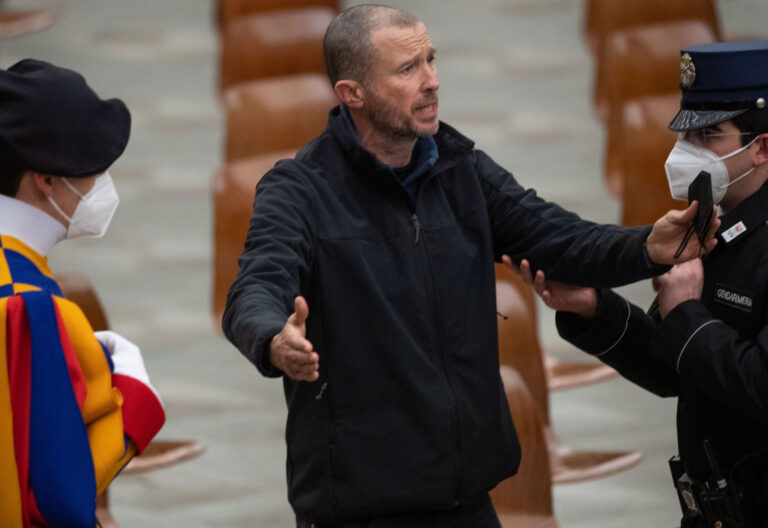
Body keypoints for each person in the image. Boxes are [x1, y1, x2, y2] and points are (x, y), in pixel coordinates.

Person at [222, 5, 717, 527]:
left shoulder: (460, 170)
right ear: (353, 94)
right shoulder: (300, 190)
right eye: (408, 69)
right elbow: (255, 285)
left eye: (431, 60)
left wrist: (648, 247)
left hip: (468, 503)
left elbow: (560, 239)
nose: (432, 81)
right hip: (361, 511)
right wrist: (274, 339)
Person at [510, 41, 768, 528]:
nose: (686, 153)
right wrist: (594, 309)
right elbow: (672, 368)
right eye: (686, 136)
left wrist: (688, 315)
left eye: (709, 136)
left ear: (762, 147)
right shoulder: (712, 221)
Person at [0, 59, 165, 527]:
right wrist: (134, 392)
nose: (101, 185)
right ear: (46, 179)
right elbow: (62, 501)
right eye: (93, 168)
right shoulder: (34, 309)